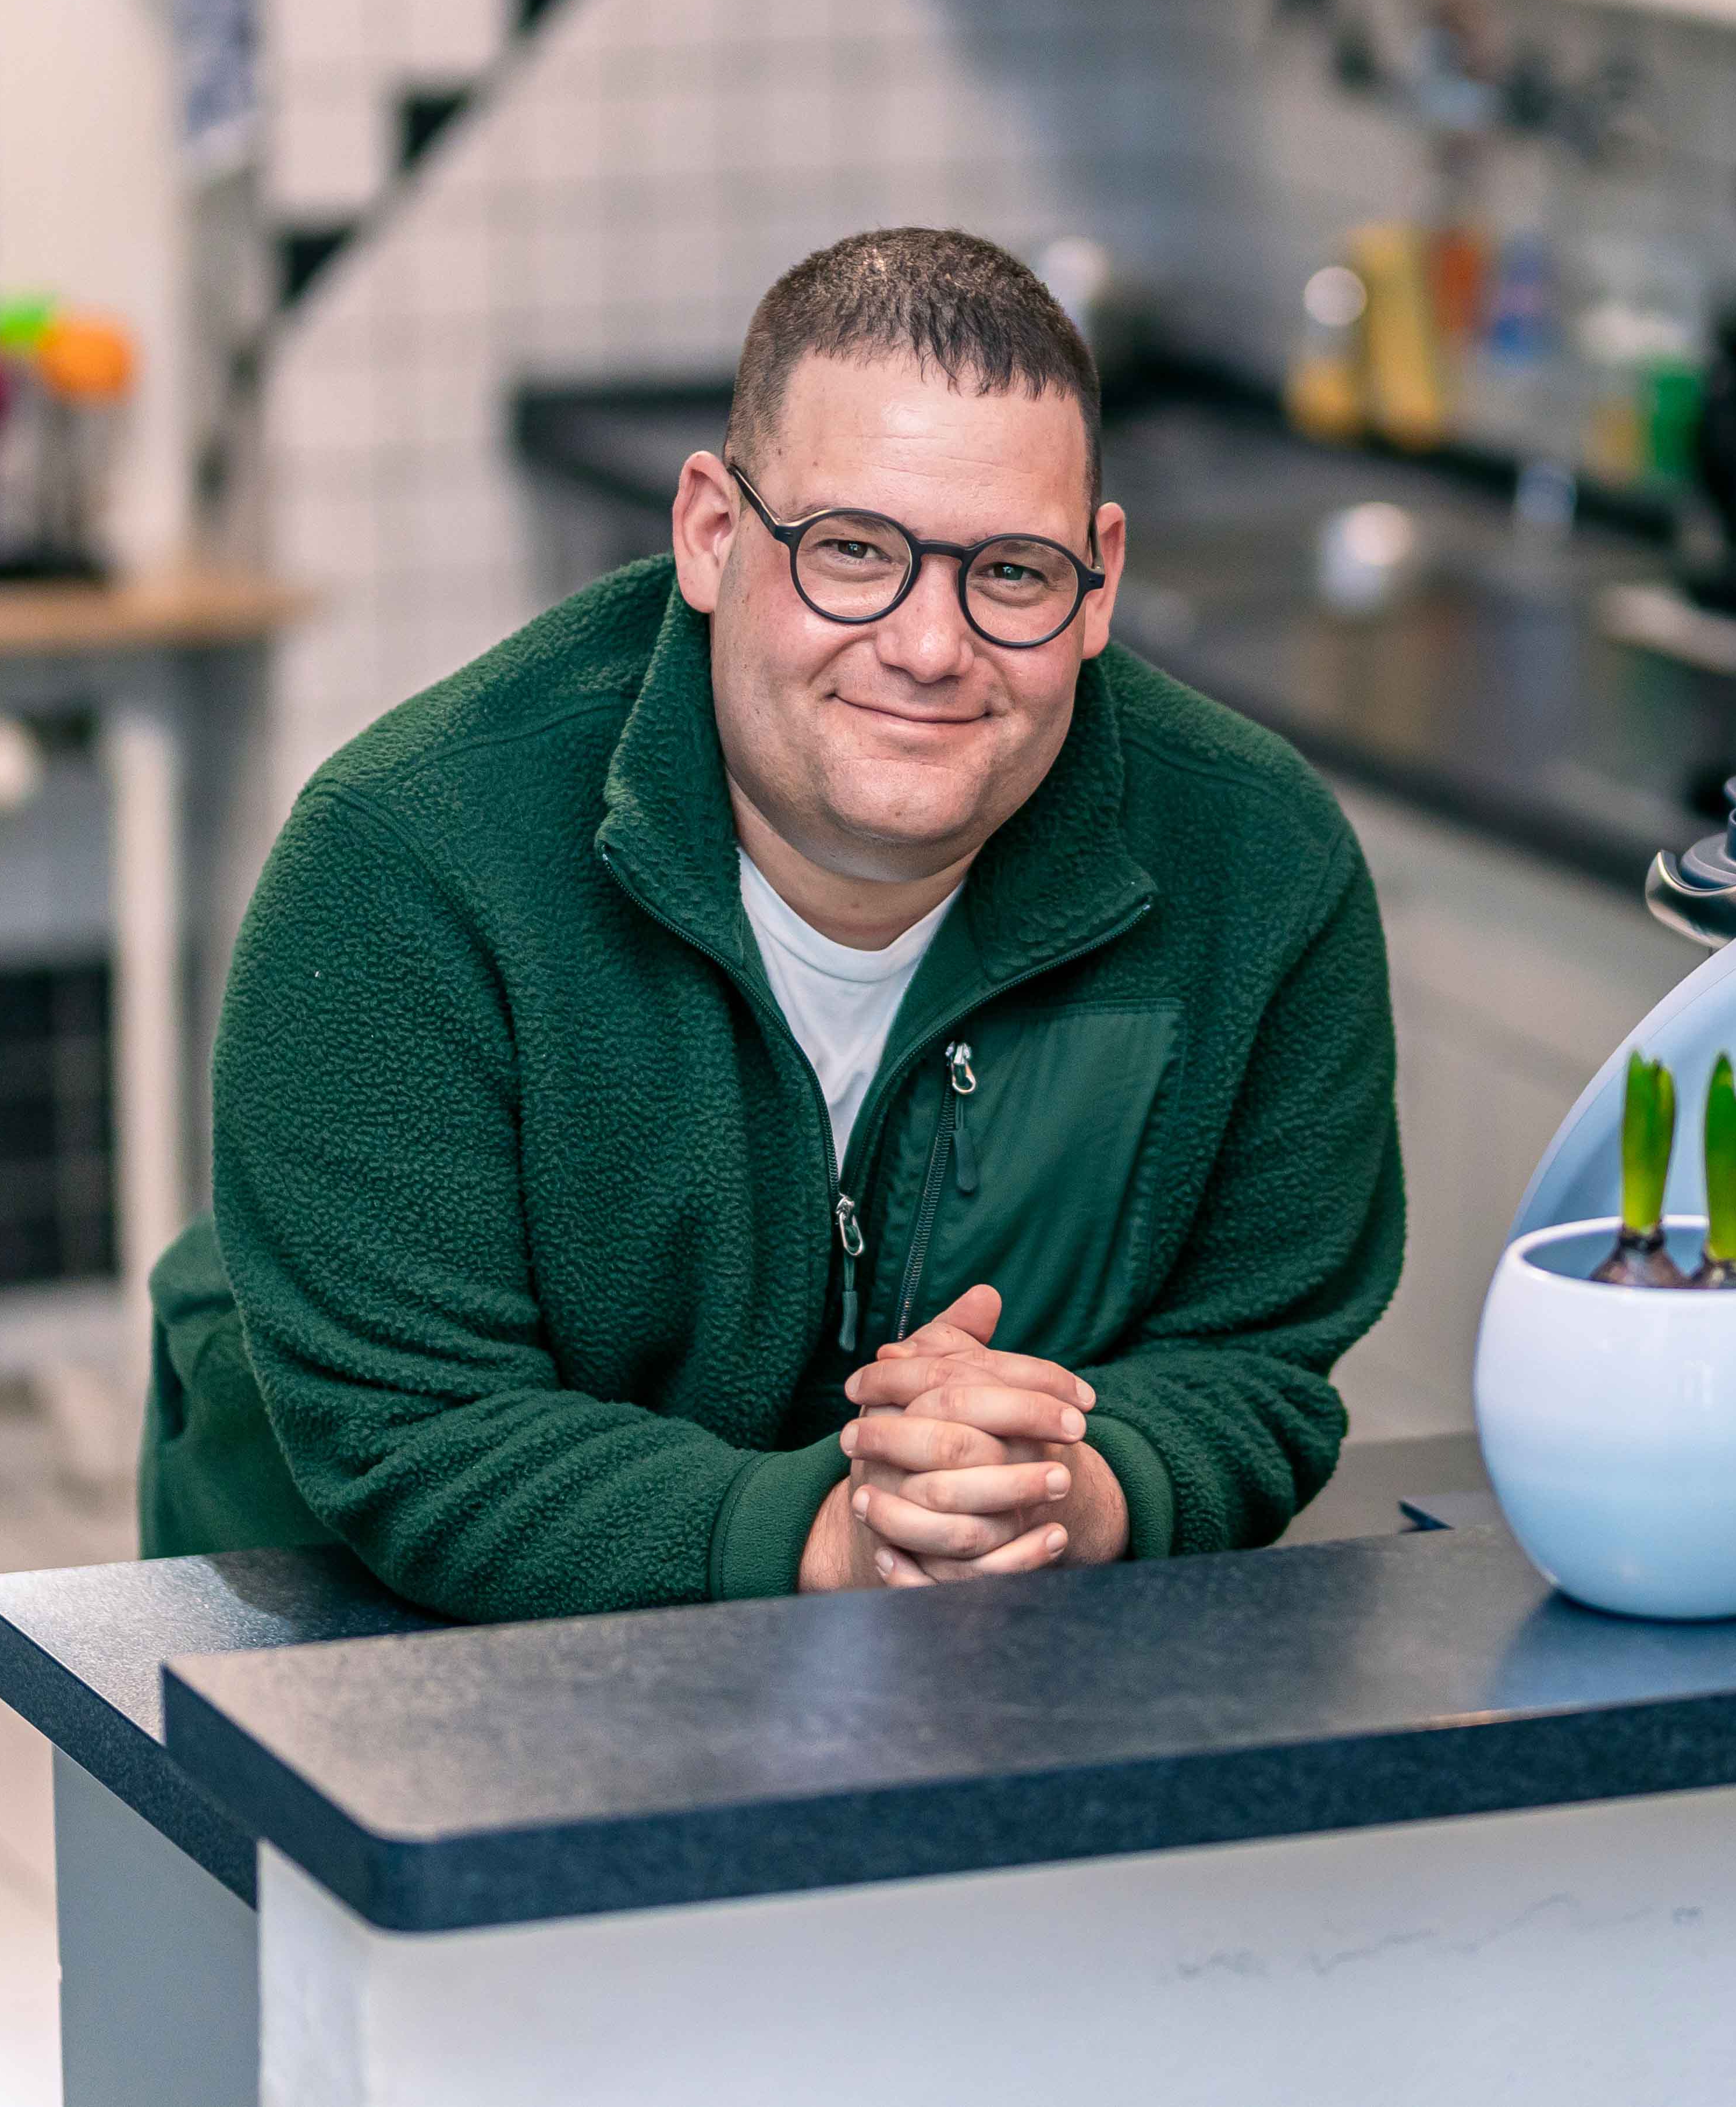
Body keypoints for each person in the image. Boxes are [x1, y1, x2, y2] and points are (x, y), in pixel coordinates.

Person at [136, 227, 1406, 1619]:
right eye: (852, 551)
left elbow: (1257, 1349)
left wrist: (1065, 1491)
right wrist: (833, 1538)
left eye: (1012, 574)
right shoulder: (407, 864)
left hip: (982, 1644)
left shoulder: (1259, 870)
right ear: (711, 534)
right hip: (353, 1626)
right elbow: (417, 1426)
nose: (929, 648)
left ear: (1097, 579)